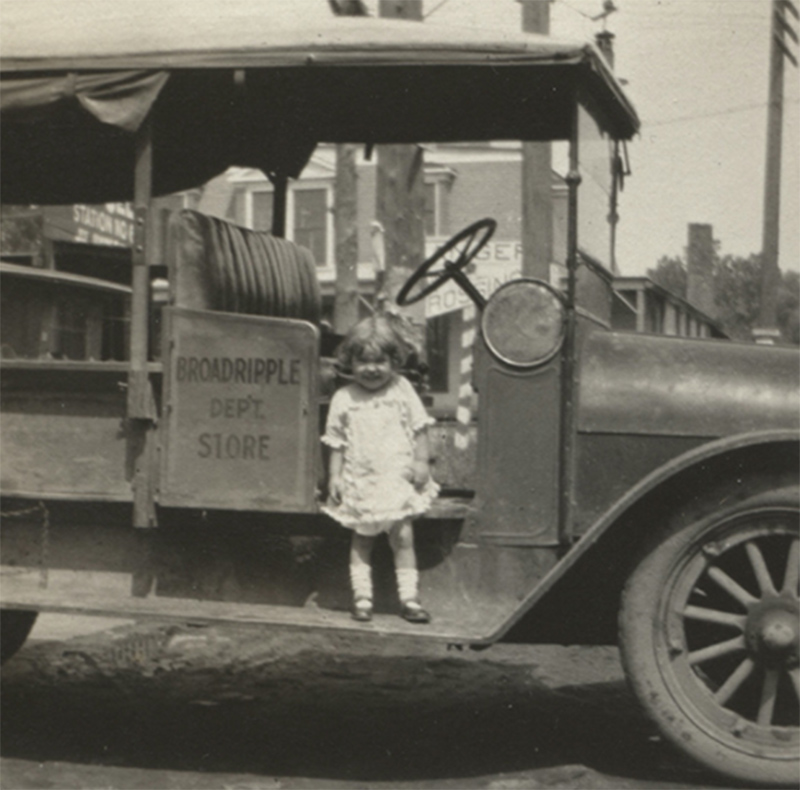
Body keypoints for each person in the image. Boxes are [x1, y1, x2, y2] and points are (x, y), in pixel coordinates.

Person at [322, 314, 439, 624]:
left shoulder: (401, 389)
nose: (372, 369)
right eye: (363, 362)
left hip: (395, 478)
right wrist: (334, 476)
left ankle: (409, 599)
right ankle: (362, 597)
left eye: (380, 361)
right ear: (350, 363)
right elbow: (336, 443)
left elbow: (419, 428)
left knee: (403, 537)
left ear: (394, 361)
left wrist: (421, 461)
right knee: (361, 540)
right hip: (362, 480)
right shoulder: (344, 398)